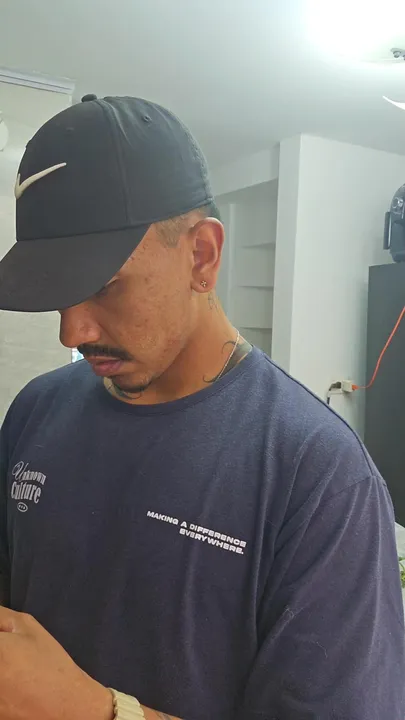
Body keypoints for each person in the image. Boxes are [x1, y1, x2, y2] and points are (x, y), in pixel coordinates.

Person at [0, 95, 403, 720]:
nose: (71, 332)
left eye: (104, 287)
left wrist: (94, 711)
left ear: (202, 256)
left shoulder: (318, 475)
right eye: (58, 293)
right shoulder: (37, 409)